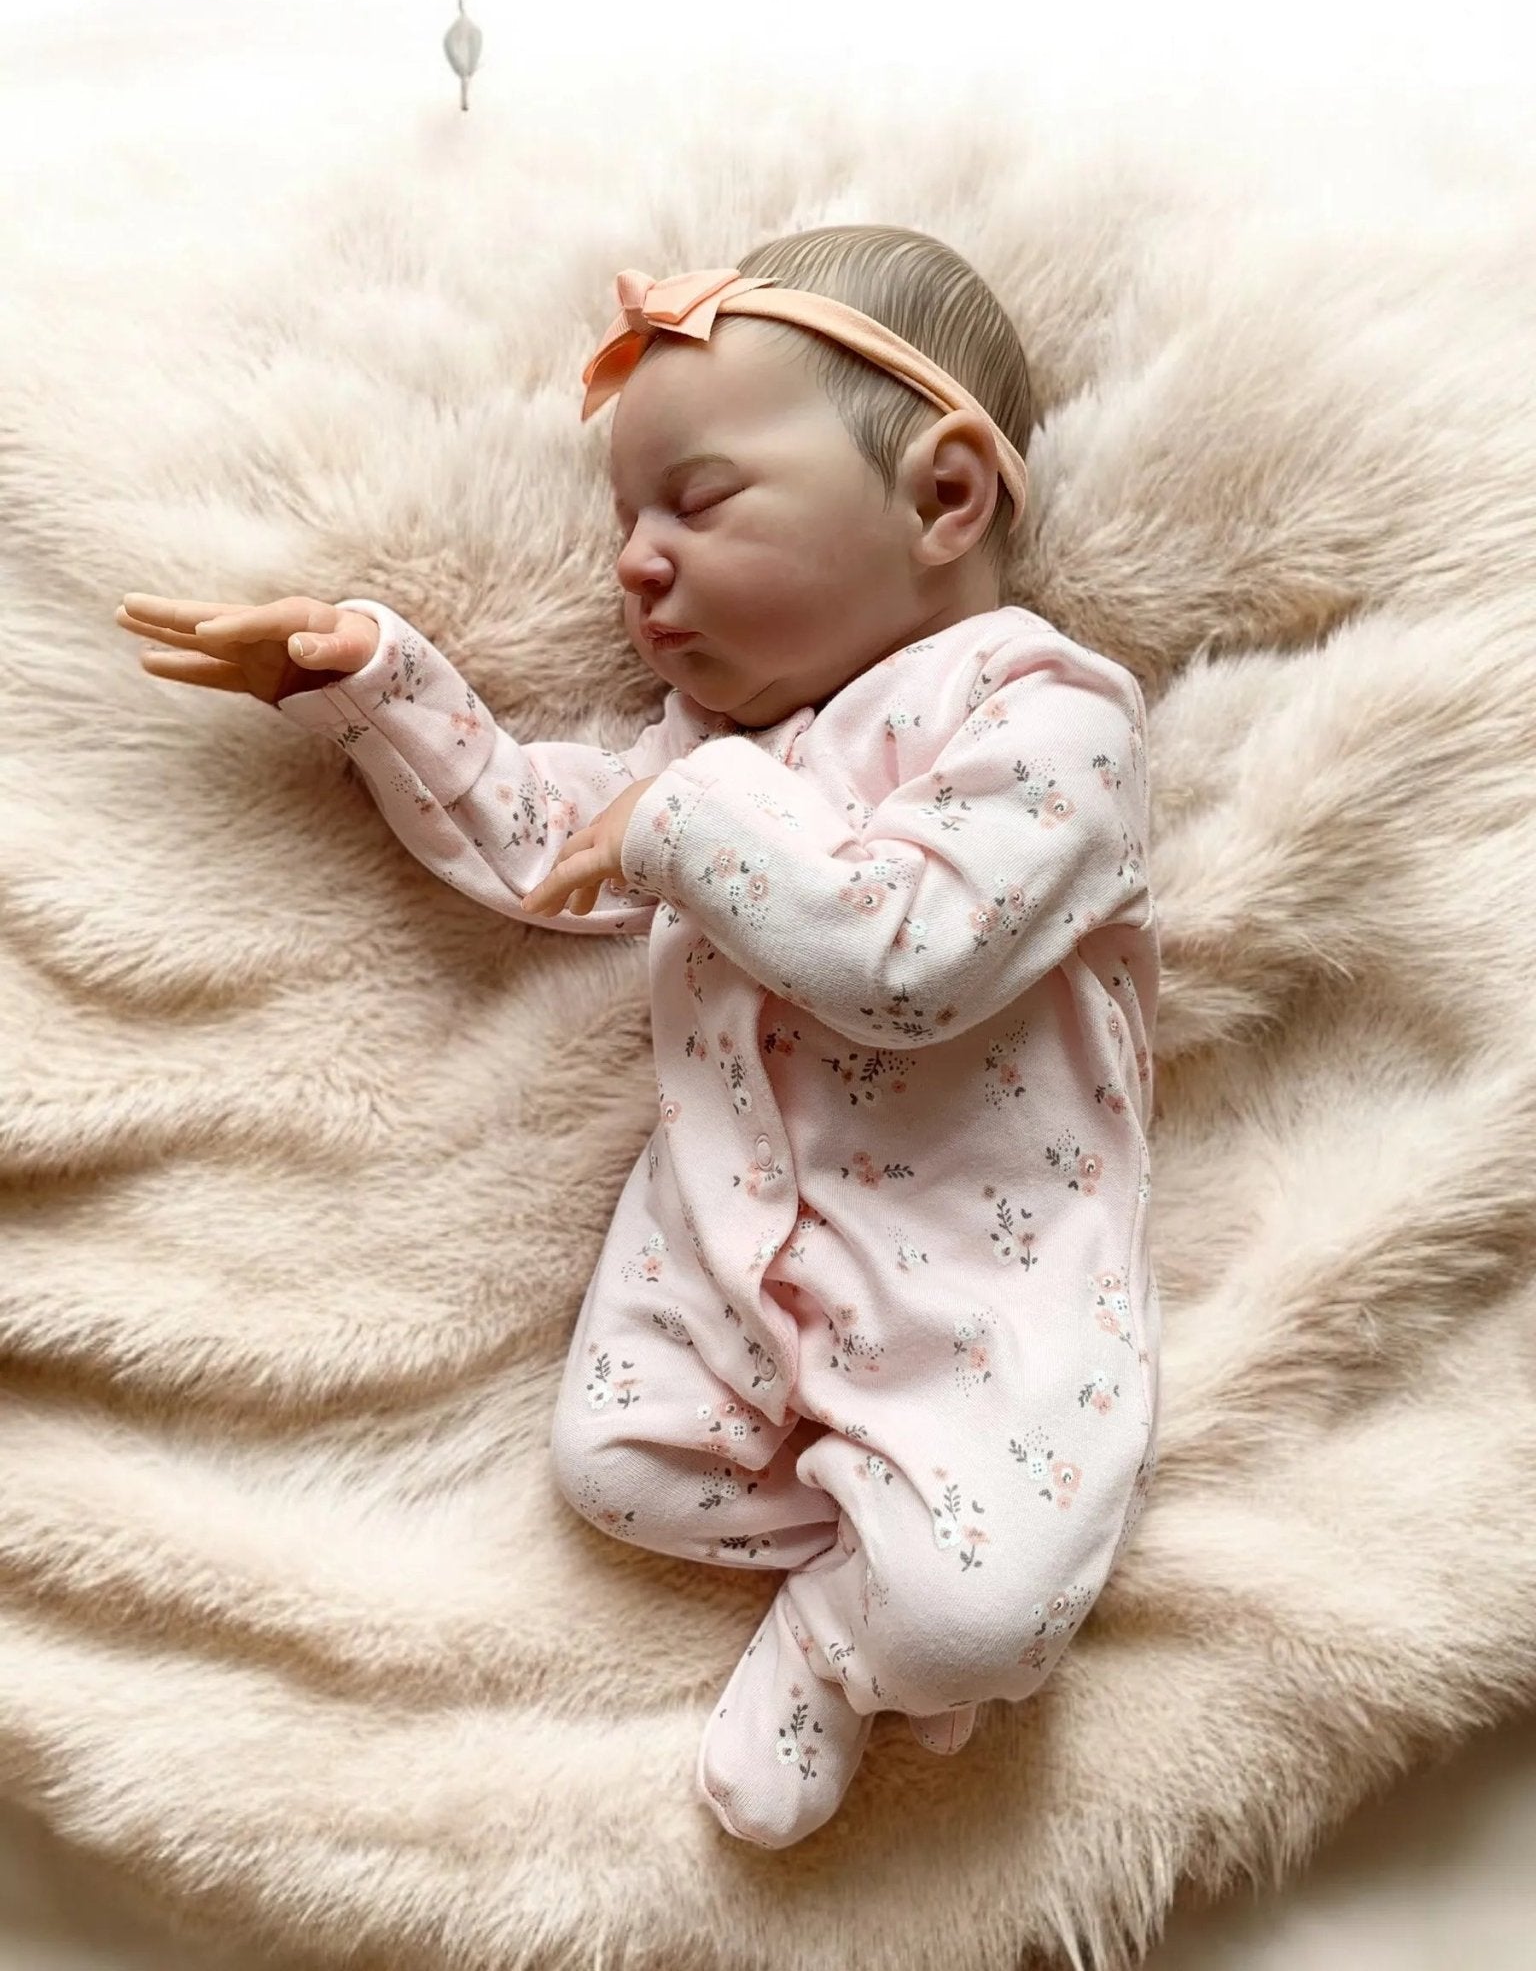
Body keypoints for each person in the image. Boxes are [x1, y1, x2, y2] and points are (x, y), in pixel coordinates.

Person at [115, 224, 1160, 1851]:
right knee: (614, 1471)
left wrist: (689, 816)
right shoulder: (716, 751)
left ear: (945, 497)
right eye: (622, 522)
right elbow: (548, 842)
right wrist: (373, 681)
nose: (634, 564)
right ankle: (876, 1551)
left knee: (981, 1623)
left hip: (978, 1275)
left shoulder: (1047, 714)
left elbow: (912, 955)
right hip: (727, 1246)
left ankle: (862, 1631)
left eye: (699, 501)